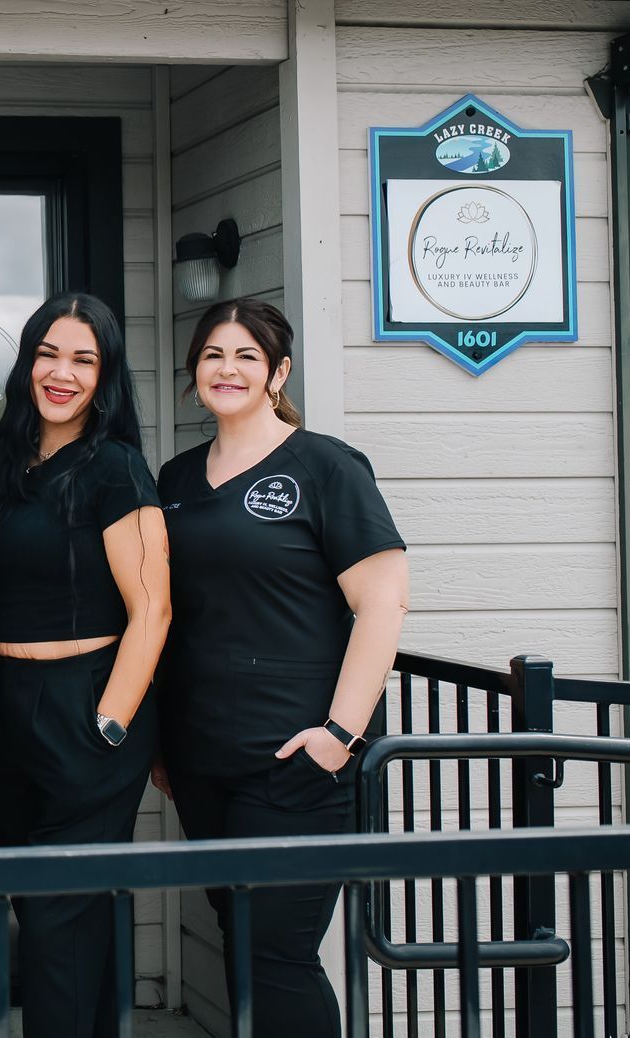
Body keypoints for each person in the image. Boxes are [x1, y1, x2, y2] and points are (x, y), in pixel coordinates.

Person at [156, 297, 408, 1037]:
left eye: (245, 356)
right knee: (241, 942)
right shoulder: (174, 479)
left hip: (298, 761)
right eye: (212, 355)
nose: (226, 370)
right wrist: (168, 745)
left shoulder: (325, 465)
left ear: (278, 372)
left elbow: (384, 602)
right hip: (205, 759)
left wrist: (340, 735)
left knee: (278, 955)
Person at [0, 292, 169, 1038]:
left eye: (83, 360)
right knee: (54, 914)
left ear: (105, 377)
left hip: (86, 702)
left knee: (59, 917)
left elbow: (153, 610)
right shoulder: (10, 462)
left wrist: (111, 723)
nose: (62, 373)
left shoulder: (115, 467)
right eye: (48, 354)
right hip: (8, 705)